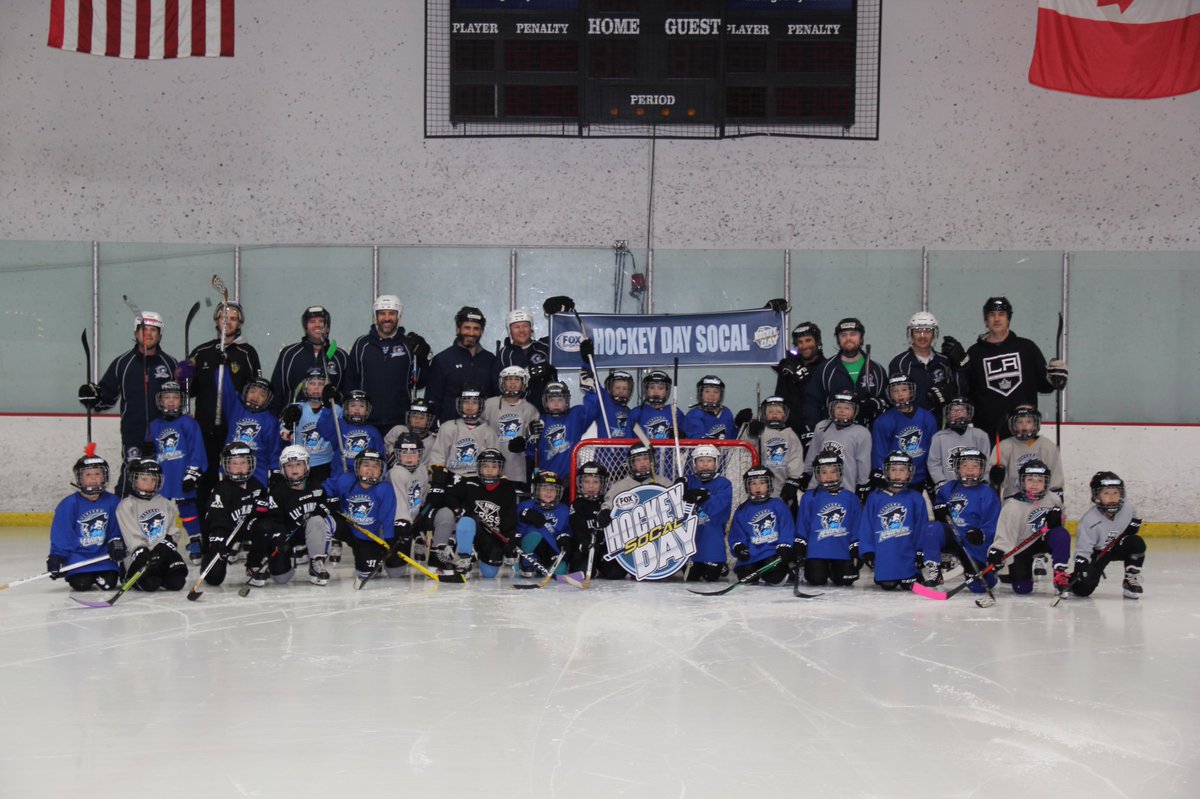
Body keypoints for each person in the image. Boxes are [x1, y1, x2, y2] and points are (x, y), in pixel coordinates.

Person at [77, 310, 178, 495]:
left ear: (160, 333)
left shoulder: (170, 363)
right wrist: (92, 397)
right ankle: (121, 518)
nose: (148, 333)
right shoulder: (122, 363)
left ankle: (158, 518)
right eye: (143, 329)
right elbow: (105, 399)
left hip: (165, 433)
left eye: (153, 329)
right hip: (134, 432)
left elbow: (181, 402)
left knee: (162, 477)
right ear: (135, 333)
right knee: (132, 474)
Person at [180, 300, 261, 508]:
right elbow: (188, 392)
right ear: (216, 320)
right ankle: (205, 533)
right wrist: (184, 377)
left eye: (233, 318)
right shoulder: (202, 352)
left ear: (239, 323)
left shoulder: (247, 353)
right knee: (204, 482)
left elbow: (256, 392)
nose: (228, 322)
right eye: (224, 317)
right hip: (204, 432)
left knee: (234, 482)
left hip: (234, 431)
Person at [964, 296, 1068, 440]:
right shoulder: (974, 353)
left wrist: (1053, 379)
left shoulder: (1027, 348)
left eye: (1001, 314)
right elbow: (968, 391)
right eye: (992, 314)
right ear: (986, 320)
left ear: (1009, 319)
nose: (997, 319)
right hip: (988, 433)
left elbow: (1044, 386)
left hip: (1024, 430)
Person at [248, 445, 336, 587]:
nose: (294, 470)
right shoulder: (277, 492)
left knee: (317, 520)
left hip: (306, 533)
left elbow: (326, 504)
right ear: (283, 468)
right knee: (281, 578)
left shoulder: (316, 487)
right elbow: (273, 522)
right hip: (286, 537)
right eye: (289, 466)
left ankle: (316, 562)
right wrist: (279, 541)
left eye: (298, 465)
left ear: (306, 466)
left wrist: (323, 508)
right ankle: (270, 563)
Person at [344, 294, 431, 434]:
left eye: (391, 313)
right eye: (382, 314)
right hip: (366, 421)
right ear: (375, 316)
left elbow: (419, 383)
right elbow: (350, 381)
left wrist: (423, 360)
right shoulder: (362, 344)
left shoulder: (409, 345)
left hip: (399, 422)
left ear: (399, 316)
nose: (386, 318)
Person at [920, 448, 1001, 589]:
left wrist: (982, 534)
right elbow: (939, 504)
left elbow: (993, 523)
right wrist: (939, 509)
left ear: (982, 469)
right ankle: (934, 571)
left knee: (979, 587)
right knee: (932, 528)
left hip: (972, 542)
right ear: (957, 469)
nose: (969, 470)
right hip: (952, 534)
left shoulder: (988, 493)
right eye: (965, 466)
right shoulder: (948, 488)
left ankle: (988, 575)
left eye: (974, 466)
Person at [989, 459, 1071, 598]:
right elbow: (1005, 534)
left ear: (1046, 482)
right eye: (1030, 480)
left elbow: (1059, 529)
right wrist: (998, 551)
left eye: (1039, 480)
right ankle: (1026, 572)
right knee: (1022, 588)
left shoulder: (1054, 500)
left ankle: (1060, 574)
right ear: (1022, 482)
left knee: (1061, 534)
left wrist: (1058, 521)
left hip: (1043, 540)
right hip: (1022, 547)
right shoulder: (1012, 506)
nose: (1034, 484)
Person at [147, 381, 207, 563]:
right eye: (167, 398)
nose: (171, 401)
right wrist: (146, 453)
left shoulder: (188, 423)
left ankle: (195, 540)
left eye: (175, 398)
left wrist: (192, 474)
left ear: (182, 401)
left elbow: (198, 450)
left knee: (187, 507)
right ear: (160, 401)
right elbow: (151, 454)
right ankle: (158, 540)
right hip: (163, 477)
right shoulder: (154, 425)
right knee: (158, 509)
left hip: (181, 474)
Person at [47, 447, 123, 591]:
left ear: (104, 476)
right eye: (88, 474)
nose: (94, 478)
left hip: (103, 556)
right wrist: (56, 557)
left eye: (97, 474)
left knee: (109, 583)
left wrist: (116, 542)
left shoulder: (113, 501)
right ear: (80, 479)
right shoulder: (69, 504)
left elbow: (116, 528)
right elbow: (62, 534)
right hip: (78, 557)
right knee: (81, 584)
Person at [432, 448, 518, 575]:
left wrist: (509, 540)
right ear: (479, 467)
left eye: (494, 466)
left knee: (489, 573)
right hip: (474, 529)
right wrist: (458, 509)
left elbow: (509, 518)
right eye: (485, 466)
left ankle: (481, 556)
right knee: (466, 521)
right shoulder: (469, 482)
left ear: (500, 469)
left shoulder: (507, 489)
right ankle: (465, 559)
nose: (489, 470)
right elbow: (450, 496)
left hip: (492, 534)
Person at [856, 451, 934, 591]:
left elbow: (921, 528)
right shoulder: (875, 497)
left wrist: (920, 551)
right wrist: (868, 551)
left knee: (909, 584)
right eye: (893, 469)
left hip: (908, 556)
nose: (897, 474)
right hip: (884, 554)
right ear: (886, 472)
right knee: (888, 585)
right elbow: (866, 526)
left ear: (909, 473)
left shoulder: (916, 498)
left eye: (902, 470)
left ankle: (909, 571)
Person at [325, 448, 401, 584]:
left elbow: (388, 519)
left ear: (382, 471)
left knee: (366, 573)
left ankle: (370, 557)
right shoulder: (346, 480)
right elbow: (324, 488)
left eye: (375, 466)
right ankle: (317, 560)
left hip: (368, 537)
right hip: (347, 527)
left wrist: (388, 543)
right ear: (357, 468)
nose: (370, 470)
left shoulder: (384, 489)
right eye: (366, 465)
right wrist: (330, 499)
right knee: (324, 522)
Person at [198, 443, 268, 586]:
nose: (240, 467)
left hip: (247, 528)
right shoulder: (221, 490)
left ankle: (254, 563)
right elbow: (216, 521)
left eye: (243, 462)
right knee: (214, 578)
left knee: (266, 528)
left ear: (250, 464)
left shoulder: (257, 486)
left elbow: (267, 514)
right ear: (226, 466)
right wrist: (221, 545)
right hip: (226, 532)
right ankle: (213, 559)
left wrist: (262, 509)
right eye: (234, 463)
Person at [115, 458, 188, 592]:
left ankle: (161, 574)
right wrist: (142, 552)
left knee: (177, 582)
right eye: (144, 479)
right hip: (140, 555)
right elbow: (131, 536)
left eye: (153, 480)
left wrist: (166, 544)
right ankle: (135, 576)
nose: (149, 484)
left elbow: (175, 529)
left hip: (163, 552)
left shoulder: (166, 503)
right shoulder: (126, 505)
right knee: (151, 583)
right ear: (134, 480)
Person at [803, 317, 887, 434]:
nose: (848, 338)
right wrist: (815, 431)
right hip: (833, 436)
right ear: (838, 340)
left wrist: (876, 404)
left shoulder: (876, 370)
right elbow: (812, 402)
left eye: (853, 334)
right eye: (843, 335)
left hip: (868, 436)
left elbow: (887, 400)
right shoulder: (825, 369)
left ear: (861, 338)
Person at [1070, 472, 1146, 600]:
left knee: (1136, 542)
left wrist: (1134, 523)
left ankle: (1130, 579)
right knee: (1083, 589)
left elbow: (1133, 515)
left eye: (1115, 493)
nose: (1112, 497)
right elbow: (1083, 550)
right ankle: (1070, 579)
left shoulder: (1127, 507)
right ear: (1097, 496)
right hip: (1099, 552)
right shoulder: (1089, 520)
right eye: (1106, 493)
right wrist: (1081, 566)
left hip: (1117, 546)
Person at [795, 451, 862, 588]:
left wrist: (856, 549)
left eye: (833, 472)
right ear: (817, 475)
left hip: (842, 550)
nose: (829, 476)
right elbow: (803, 524)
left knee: (846, 580)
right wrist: (800, 547)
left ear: (840, 472)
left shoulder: (851, 498)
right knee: (816, 579)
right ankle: (817, 567)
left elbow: (857, 526)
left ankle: (834, 570)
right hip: (817, 550)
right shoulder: (809, 497)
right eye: (824, 472)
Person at [268, 305, 348, 415]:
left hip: (328, 424)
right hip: (293, 423)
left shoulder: (340, 356)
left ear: (328, 327)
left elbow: (347, 393)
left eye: (321, 321)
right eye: (312, 321)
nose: (317, 325)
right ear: (305, 327)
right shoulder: (289, 354)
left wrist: (337, 397)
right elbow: (276, 391)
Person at [425, 306, 498, 423]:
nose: (471, 333)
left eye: (476, 328)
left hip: (483, 431)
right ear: (458, 329)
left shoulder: (490, 359)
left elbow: (496, 399)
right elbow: (432, 400)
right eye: (467, 328)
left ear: (482, 331)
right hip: (450, 432)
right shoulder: (442, 360)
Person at [871, 372, 940, 496]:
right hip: (894, 480)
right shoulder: (883, 421)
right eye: (895, 391)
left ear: (911, 391)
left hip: (920, 479)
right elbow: (879, 454)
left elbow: (933, 452)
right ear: (889, 394)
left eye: (904, 389)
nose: (900, 394)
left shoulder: (927, 418)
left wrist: (931, 478)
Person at [888, 311, 967, 418]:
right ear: (911, 333)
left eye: (928, 331)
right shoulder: (899, 363)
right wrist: (926, 398)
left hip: (941, 423)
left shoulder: (944, 361)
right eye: (917, 331)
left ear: (934, 333)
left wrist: (960, 364)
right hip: (910, 423)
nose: (922, 336)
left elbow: (960, 391)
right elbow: (895, 397)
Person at [528, 379, 609, 481]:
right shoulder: (540, 423)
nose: (556, 404)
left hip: (569, 478)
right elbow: (533, 456)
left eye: (560, 400)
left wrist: (591, 391)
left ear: (566, 402)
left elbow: (593, 408)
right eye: (552, 400)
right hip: (546, 479)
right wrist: (531, 440)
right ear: (545, 402)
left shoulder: (575, 416)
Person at [727, 466, 794, 586]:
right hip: (752, 554)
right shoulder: (743, 509)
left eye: (762, 483)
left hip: (772, 553)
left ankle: (784, 572)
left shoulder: (778, 505)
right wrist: (739, 547)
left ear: (769, 484)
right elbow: (736, 534)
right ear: (748, 487)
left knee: (775, 577)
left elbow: (787, 528)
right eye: (753, 483)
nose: (758, 487)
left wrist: (784, 546)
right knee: (745, 576)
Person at [279, 367, 343, 488]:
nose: (317, 387)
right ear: (305, 386)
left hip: (326, 464)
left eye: (321, 384)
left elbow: (339, 439)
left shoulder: (336, 409)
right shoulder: (295, 408)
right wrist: (288, 425)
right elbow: (283, 437)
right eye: (312, 383)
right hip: (300, 464)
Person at [803, 391, 872, 498]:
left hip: (846, 487)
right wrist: (806, 473)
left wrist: (862, 483)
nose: (842, 411)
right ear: (832, 409)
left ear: (855, 411)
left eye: (847, 408)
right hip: (818, 486)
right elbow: (813, 453)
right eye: (838, 407)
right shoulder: (821, 426)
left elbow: (863, 461)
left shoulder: (862, 433)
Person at [682, 444, 734, 583]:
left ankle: (720, 563)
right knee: (690, 577)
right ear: (694, 463)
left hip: (713, 542)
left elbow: (719, 507)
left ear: (716, 462)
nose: (705, 464)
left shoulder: (724, 483)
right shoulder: (689, 481)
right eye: (701, 460)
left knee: (710, 576)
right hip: (691, 542)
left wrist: (704, 497)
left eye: (709, 460)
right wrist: (679, 488)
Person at [482, 366, 540, 489]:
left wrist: (525, 442)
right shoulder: (489, 404)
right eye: (508, 379)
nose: (512, 383)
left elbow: (534, 445)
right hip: (490, 468)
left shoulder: (530, 410)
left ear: (524, 384)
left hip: (517, 469)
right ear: (502, 382)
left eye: (517, 380)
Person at [220, 376, 282, 489]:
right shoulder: (235, 408)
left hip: (258, 472)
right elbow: (224, 385)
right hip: (232, 466)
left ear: (268, 400)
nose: (256, 396)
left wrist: (275, 471)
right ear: (245, 392)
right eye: (252, 391)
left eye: (262, 395)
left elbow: (274, 450)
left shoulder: (270, 421)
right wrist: (222, 366)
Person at [990, 404, 1064, 499]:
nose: (1024, 425)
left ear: (1035, 425)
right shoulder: (1004, 446)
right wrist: (996, 477)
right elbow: (991, 479)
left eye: (1029, 421)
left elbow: (1056, 480)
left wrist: (1057, 504)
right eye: (1020, 422)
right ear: (1013, 425)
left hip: (1042, 502)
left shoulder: (1048, 447)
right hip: (1013, 500)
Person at [741, 396, 805, 504]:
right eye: (770, 411)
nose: (774, 414)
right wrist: (750, 432)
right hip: (759, 483)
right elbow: (745, 448)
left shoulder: (790, 434)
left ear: (785, 414)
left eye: (778, 412)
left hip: (782, 483)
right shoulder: (760, 430)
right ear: (765, 415)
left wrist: (793, 480)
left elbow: (795, 458)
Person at [772, 320, 826, 445]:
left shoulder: (826, 367)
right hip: (783, 430)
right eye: (799, 342)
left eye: (808, 340)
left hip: (811, 432)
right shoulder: (788, 361)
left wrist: (804, 381)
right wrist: (770, 314)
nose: (804, 346)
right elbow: (764, 344)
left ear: (817, 342)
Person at [493, 308, 554, 414]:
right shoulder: (503, 355)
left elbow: (566, 337)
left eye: (525, 326)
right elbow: (497, 388)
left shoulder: (545, 347)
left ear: (531, 328)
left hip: (546, 413)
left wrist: (563, 313)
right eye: (516, 327)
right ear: (509, 330)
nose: (521, 330)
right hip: (516, 415)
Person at [569, 461, 623, 579]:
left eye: (595, 482)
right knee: (581, 573)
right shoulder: (577, 505)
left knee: (616, 573)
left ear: (602, 483)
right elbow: (577, 529)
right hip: (585, 549)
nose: (591, 486)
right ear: (580, 483)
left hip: (604, 548)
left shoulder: (607, 504)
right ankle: (595, 571)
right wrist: (584, 543)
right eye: (586, 482)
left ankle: (600, 569)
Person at [515, 471, 573, 576]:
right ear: (536, 490)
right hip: (534, 549)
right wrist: (524, 515)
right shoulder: (526, 506)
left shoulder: (563, 509)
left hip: (551, 549)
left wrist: (565, 539)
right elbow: (518, 529)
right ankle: (526, 562)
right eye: (544, 488)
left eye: (553, 489)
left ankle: (544, 568)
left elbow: (565, 530)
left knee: (560, 570)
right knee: (535, 533)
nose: (549, 492)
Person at [927, 397, 992, 489]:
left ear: (969, 413)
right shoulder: (939, 437)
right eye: (953, 411)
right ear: (947, 414)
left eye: (962, 410)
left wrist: (984, 481)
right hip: (949, 487)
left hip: (975, 485)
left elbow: (986, 461)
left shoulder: (980, 435)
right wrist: (941, 483)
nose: (958, 414)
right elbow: (934, 464)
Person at [324, 390, 386, 482]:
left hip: (366, 476)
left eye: (361, 406)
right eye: (353, 405)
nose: (357, 409)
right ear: (346, 409)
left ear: (367, 410)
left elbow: (381, 456)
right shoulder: (338, 425)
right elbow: (324, 430)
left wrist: (380, 475)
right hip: (340, 475)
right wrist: (328, 408)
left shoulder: (373, 431)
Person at [628, 370, 682, 443]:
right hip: (645, 454)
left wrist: (681, 436)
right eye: (652, 387)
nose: (656, 391)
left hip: (669, 454)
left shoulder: (674, 412)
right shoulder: (637, 412)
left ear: (667, 391)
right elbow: (628, 440)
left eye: (660, 388)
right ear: (646, 390)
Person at [682, 375, 740, 440]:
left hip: (723, 450)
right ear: (700, 394)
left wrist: (738, 425)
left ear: (720, 395)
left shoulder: (727, 413)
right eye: (707, 391)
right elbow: (696, 438)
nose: (711, 395)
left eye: (716, 392)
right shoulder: (693, 415)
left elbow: (732, 438)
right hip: (702, 450)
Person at [383, 398, 437, 468]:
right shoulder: (399, 430)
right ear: (409, 417)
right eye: (414, 416)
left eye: (422, 418)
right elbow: (385, 447)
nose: (417, 421)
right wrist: (392, 452)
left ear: (429, 421)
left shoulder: (433, 442)